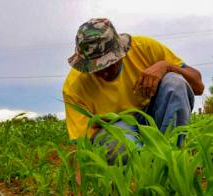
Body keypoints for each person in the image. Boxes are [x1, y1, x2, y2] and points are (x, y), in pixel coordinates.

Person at [62, 18, 204, 152]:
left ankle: (171, 154)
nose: (104, 73)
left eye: (110, 63)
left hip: (155, 115)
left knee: (175, 82)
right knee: (119, 145)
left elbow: (198, 87)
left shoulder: (145, 48)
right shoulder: (74, 87)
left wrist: (167, 66)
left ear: (122, 51)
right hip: (116, 127)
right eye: (96, 69)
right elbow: (81, 146)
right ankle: (144, 168)